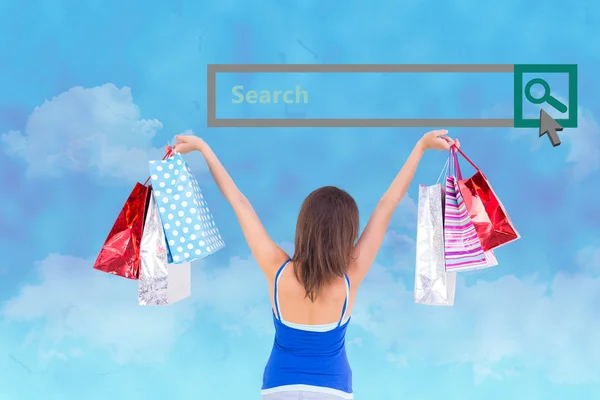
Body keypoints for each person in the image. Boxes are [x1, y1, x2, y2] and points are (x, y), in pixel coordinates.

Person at [171, 130, 459, 400]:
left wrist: (204, 149)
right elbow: (387, 203)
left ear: (303, 226)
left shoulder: (277, 270)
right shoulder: (350, 276)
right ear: (347, 233)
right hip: (332, 390)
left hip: (277, 388)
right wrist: (421, 147)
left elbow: (239, 202)